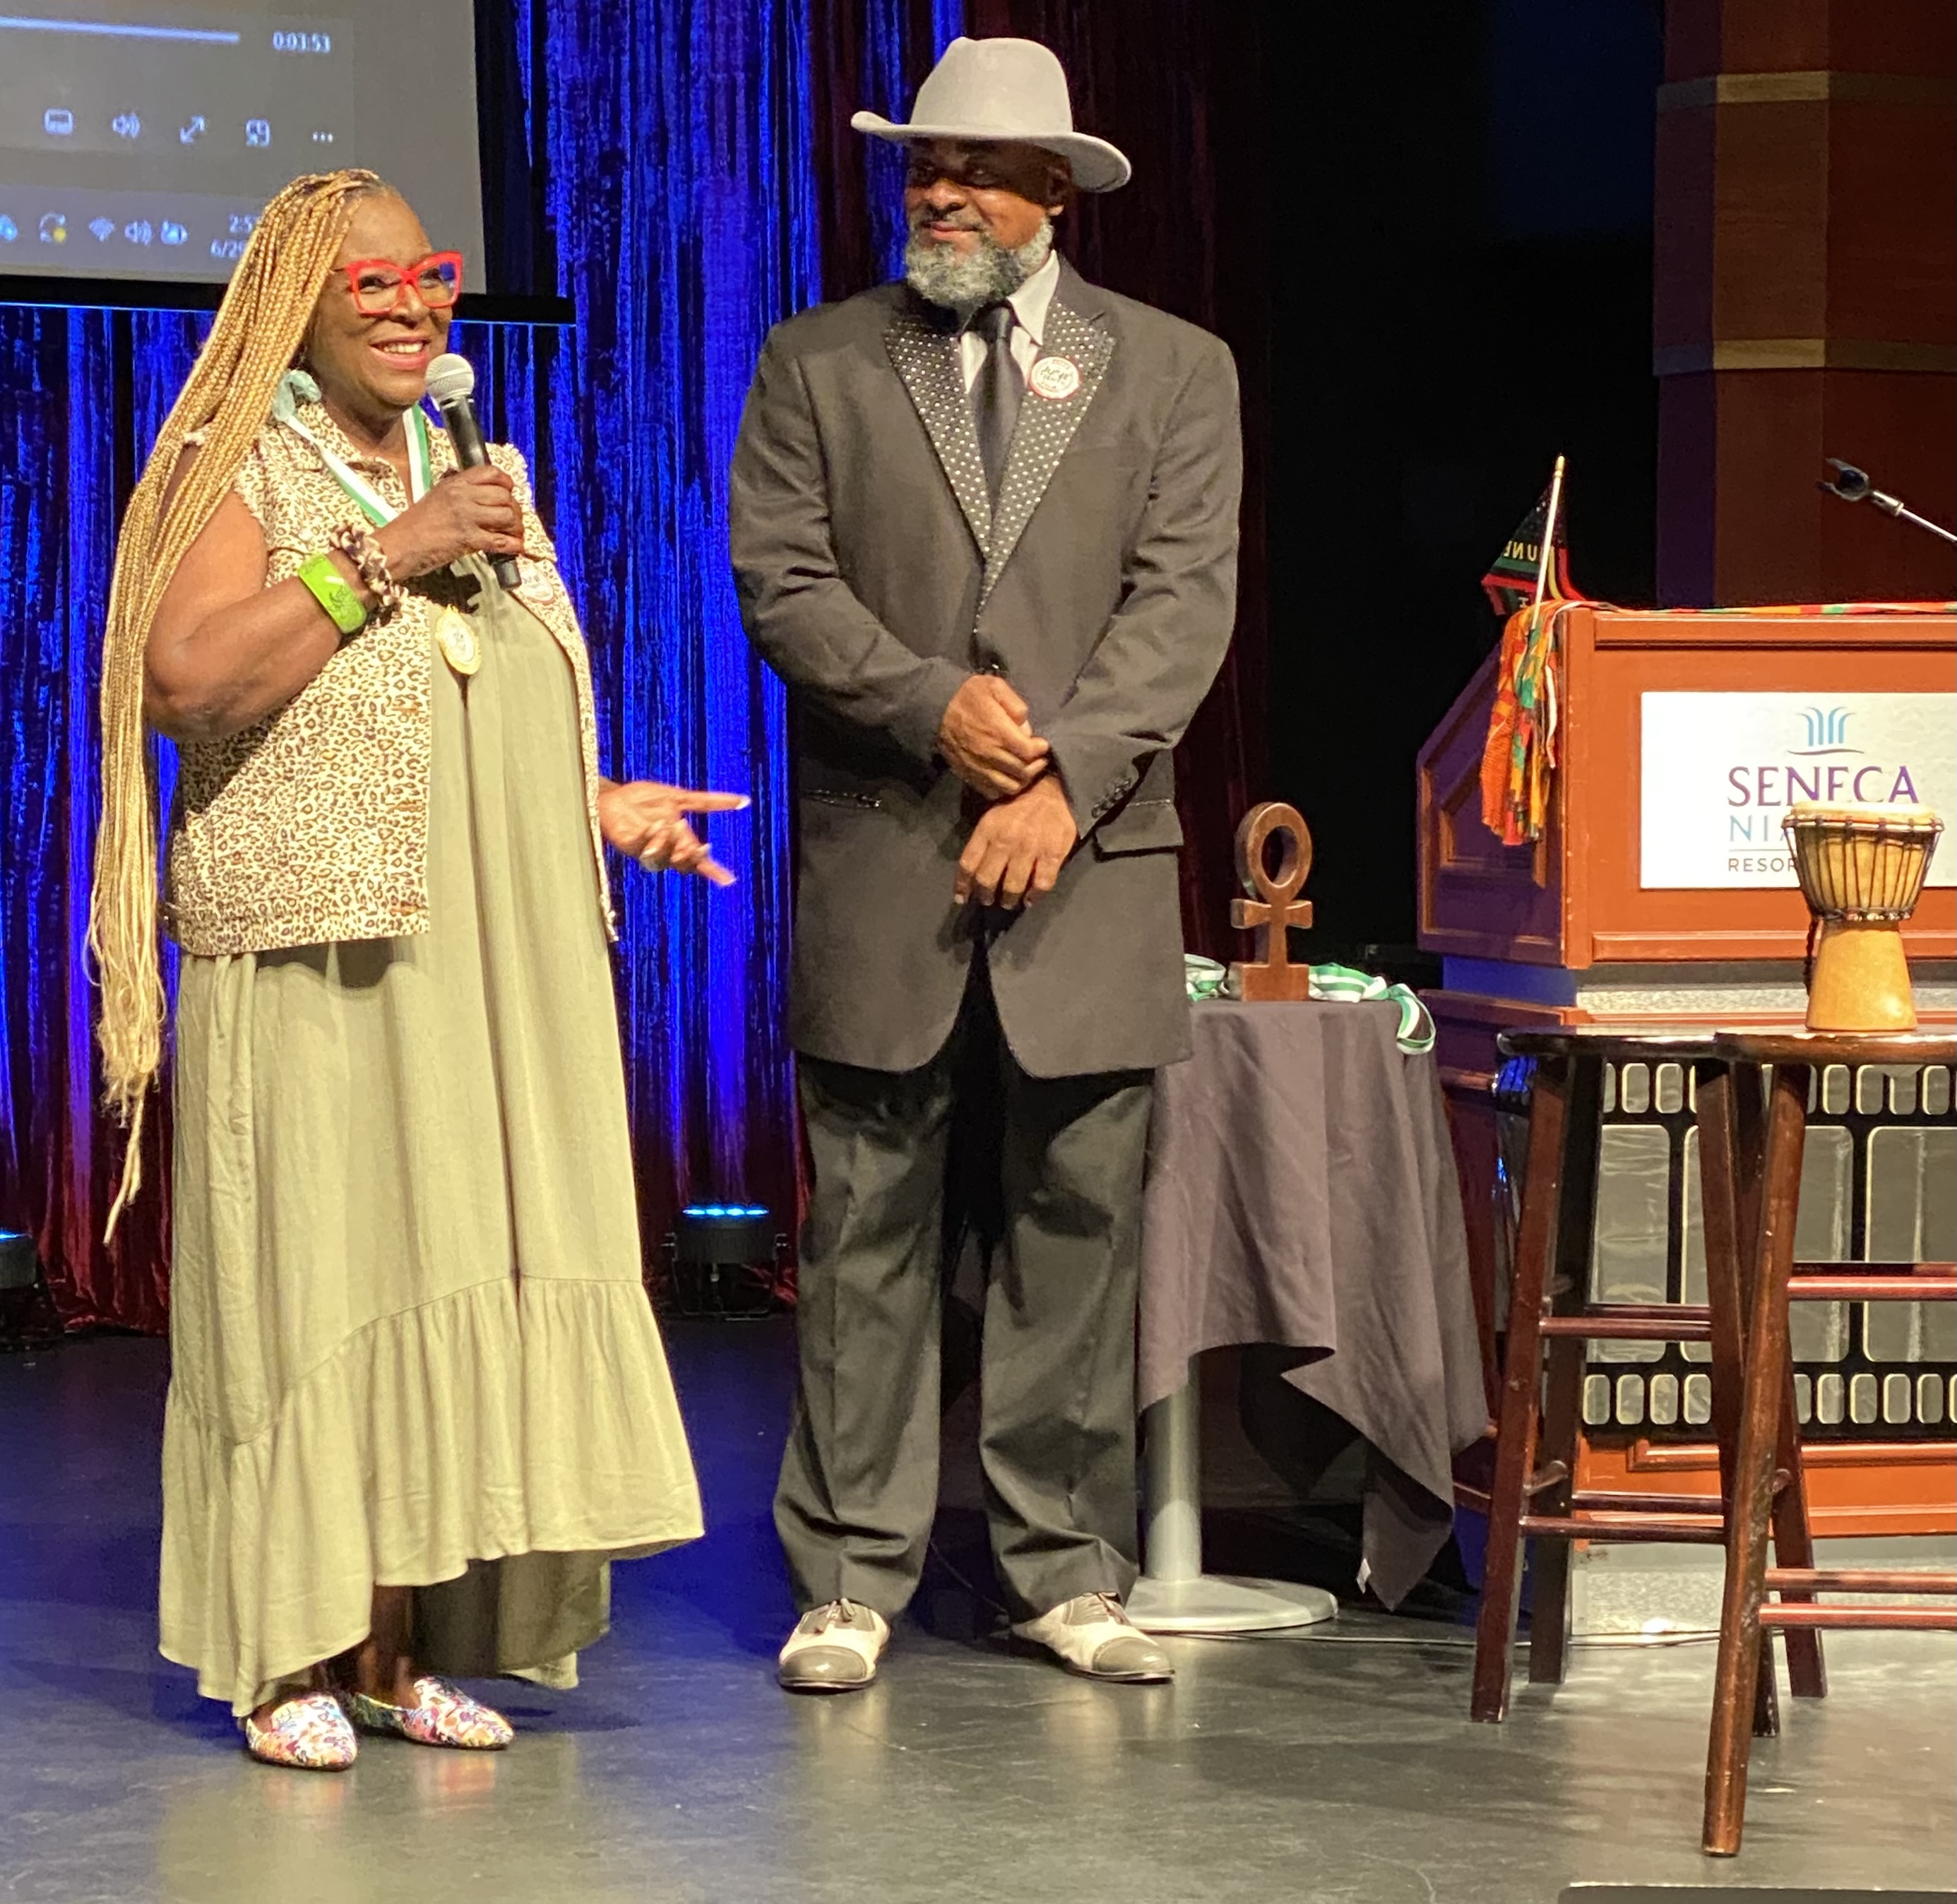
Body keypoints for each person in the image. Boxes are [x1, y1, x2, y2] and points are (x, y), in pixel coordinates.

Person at [90, 169, 732, 1770]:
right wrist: (388, 549)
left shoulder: (472, 465)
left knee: (436, 1282)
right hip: (315, 946)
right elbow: (188, 679)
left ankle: (395, 1644)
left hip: (467, 957)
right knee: (316, 1296)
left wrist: (597, 802)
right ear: (295, 304)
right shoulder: (229, 458)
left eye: (429, 276)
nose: (409, 303)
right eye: (368, 282)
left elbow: (452, 707)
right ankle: (280, 1658)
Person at [730, 37, 1241, 1691]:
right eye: (922, 164)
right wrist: (935, 704)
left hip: (1086, 869)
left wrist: (1061, 783)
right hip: (889, 859)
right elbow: (784, 581)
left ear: (1050, 195)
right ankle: (852, 1572)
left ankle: (1061, 1565)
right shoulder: (821, 361)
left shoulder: (1173, 370)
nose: (938, 192)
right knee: (868, 1222)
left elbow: (1183, 607)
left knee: (1074, 1227)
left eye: (976, 169)